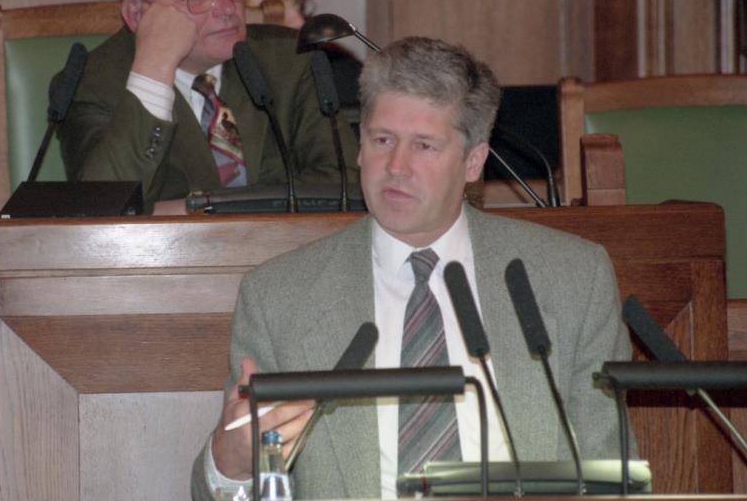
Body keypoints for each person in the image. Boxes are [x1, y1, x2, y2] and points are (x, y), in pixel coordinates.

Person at [191, 37, 634, 499]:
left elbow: (611, 475)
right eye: (382, 140)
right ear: (360, 147)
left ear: (474, 162)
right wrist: (232, 466)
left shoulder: (573, 278)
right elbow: (234, 487)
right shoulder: (278, 297)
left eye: (424, 146)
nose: (396, 166)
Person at [54, 0, 356, 208]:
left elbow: (343, 186)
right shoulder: (92, 84)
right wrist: (154, 70)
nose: (227, 8)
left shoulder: (290, 60)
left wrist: (196, 209)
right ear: (138, 15)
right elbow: (105, 208)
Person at [223, 0, 362, 125]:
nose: (299, 22)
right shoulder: (209, 83)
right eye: (274, 7)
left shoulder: (334, 71)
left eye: (298, 4)